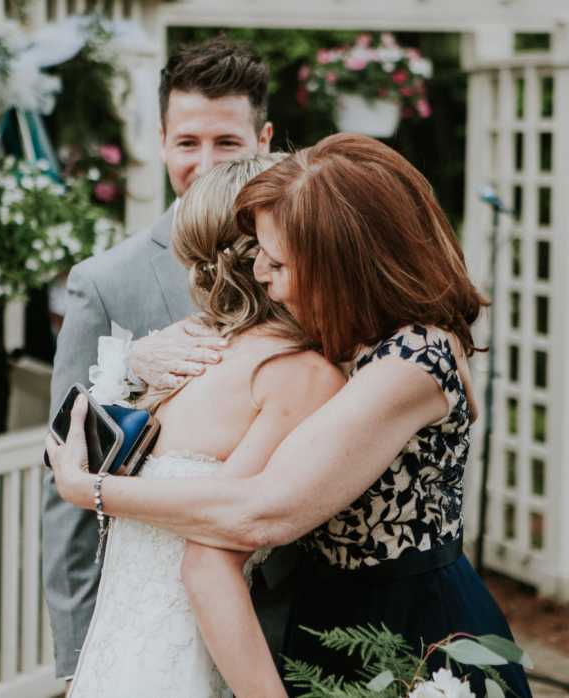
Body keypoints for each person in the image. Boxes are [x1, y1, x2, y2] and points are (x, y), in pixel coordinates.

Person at [47, 133, 533, 698]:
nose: (262, 277)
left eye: (278, 263)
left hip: (412, 631)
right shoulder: (343, 336)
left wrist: (91, 489)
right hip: (324, 621)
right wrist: (142, 356)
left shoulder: (414, 358)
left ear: (338, 265)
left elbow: (260, 512)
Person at [40, 38, 304, 689]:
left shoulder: (309, 260)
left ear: (265, 138)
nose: (205, 162)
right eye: (188, 143)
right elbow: (63, 479)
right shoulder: (106, 282)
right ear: (160, 141)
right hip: (160, 625)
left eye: (227, 143)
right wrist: (76, 661)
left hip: (298, 614)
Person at [63, 157, 345, 697]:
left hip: (117, 662)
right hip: (185, 660)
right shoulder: (296, 374)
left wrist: (90, 488)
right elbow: (211, 554)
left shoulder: (180, 358)